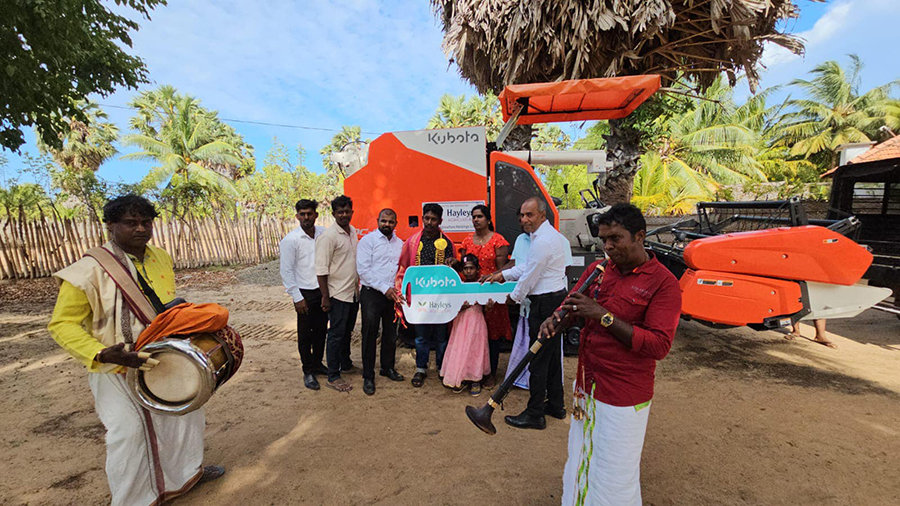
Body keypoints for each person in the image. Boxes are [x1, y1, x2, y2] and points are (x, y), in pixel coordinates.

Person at [47, 195, 224, 506]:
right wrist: (102, 353)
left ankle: (185, 476)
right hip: (114, 365)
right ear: (111, 226)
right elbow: (62, 325)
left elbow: (154, 305)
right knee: (127, 433)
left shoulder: (160, 257)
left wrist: (172, 309)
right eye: (131, 223)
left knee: (183, 418)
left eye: (146, 222)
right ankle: (132, 500)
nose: (141, 228)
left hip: (162, 357)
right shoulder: (87, 270)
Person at [540, 203, 681, 506]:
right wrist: (557, 319)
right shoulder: (598, 271)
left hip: (623, 395)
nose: (607, 247)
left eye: (615, 238)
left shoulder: (665, 283)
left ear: (640, 236)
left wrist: (602, 316)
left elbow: (659, 345)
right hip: (587, 385)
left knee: (615, 473)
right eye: (604, 239)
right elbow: (571, 306)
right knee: (581, 458)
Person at [483, 197, 570, 430]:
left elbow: (530, 276)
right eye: (522, 215)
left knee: (538, 359)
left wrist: (513, 297)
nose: (524, 220)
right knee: (550, 357)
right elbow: (527, 266)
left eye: (529, 215)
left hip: (545, 305)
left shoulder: (543, 241)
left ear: (543, 215)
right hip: (552, 301)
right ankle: (555, 404)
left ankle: (534, 414)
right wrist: (503, 275)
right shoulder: (543, 238)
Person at [398, 202, 456, 388]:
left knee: (441, 336)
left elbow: (453, 272)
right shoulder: (413, 241)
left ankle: (442, 367)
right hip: (419, 297)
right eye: (427, 218)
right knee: (421, 336)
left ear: (440, 220)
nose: (430, 222)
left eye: (434, 219)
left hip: (441, 297)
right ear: (422, 218)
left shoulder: (446, 242)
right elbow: (404, 268)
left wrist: (452, 263)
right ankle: (421, 368)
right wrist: (402, 291)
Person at [459, 204, 510, 387]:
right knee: (473, 334)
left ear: (488, 219)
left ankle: (491, 373)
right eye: (473, 216)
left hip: (491, 294)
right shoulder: (466, 242)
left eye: (480, 216)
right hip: (472, 295)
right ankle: (472, 371)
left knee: (492, 335)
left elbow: (505, 268)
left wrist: (492, 278)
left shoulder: (498, 241)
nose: (476, 219)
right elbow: (463, 268)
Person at [356, 208, 406, 395]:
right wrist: (384, 289)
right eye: (384, 221)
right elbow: (363, 270)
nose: (387, 224)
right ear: (378, 221)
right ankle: (368, 376)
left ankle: (387, 368)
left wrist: (396, 291)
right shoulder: (368, 242)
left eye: (391, 222)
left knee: (391, 333)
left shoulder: (400, 244)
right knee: (370, 334)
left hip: (392, 295)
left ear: (396, 223)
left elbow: (400, 269)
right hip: (372, 293)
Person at [280, 199, 328, 390]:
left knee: (321, 331)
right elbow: (286, 271)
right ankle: (307, 371)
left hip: (322, 290)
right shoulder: (291, 240)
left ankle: (317, 364)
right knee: (305, 334)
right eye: (302, 214)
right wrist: (297, 297)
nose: (306, 217)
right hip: (304, 293)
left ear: (316, 215)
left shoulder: (324, 234)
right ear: (297, 216)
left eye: (310, 213)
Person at [316, 195, 359, 393]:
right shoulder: (328, 237)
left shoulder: (353, 233)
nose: (344, 215)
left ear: (352, 211)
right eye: (339, 212)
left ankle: (346, 363)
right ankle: (333, 375)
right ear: (333, 214)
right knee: (335, 334)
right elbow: (321, 270)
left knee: (347, 331)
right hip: (337, 294)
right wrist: (325, 297)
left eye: (347, 211)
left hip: (352, 293)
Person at [440, 254, 491, 396]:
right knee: (460, 347)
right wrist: (461, 307)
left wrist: (489, 306)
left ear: (477, 269)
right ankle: (461, 376)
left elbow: (486, 308)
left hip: (477, 321)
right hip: (461, 322)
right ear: (461, 271)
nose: (469, 271)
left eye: (472, 268)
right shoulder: (457, 285)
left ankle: (475, 379)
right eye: (466, 269)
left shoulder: (482, 285)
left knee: (475, 348)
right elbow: (450, 305)